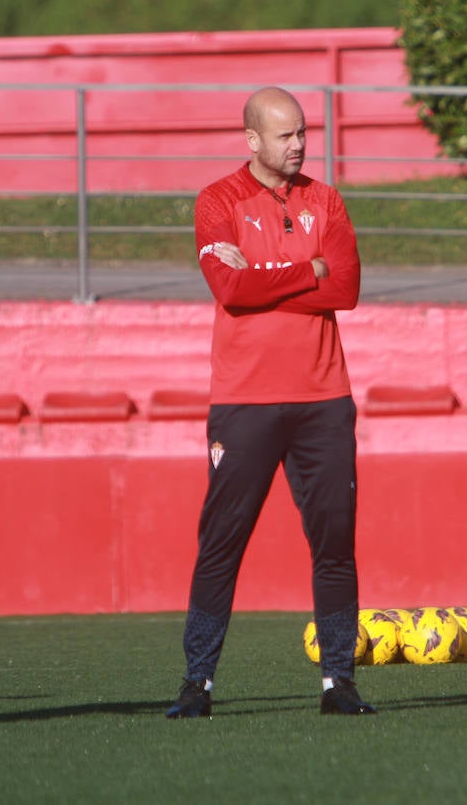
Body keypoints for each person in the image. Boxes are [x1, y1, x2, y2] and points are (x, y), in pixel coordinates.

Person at [166, 86, 374, 718]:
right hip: (245, 401)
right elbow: (228, 289)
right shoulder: (217, 201)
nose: (300, 144)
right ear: (252, 140)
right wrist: (306, 268)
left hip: (323, 400)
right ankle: (197, 684)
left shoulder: (326, 199)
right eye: (285, 135)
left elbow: (348, 286)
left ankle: (339, 682)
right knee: (222, 541)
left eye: (303, 132)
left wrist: (272, 277)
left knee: (334, 541)